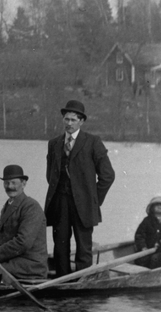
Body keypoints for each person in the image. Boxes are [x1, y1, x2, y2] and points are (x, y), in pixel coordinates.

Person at [44, 99, 116, 276]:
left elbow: (108, 175)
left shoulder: (92, 142)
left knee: (84, 246)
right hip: (60, 203)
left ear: (81, 121)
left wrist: (93, 199)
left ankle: (83, 281)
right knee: (60, 245)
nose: (69, 123)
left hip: (84, 205)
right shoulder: (54, 143)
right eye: (66, 119)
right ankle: (62, 282)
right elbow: (50, 175)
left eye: (73, 120)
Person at [132, 195, 161, 268]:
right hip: (147, 249)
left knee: (155, 259)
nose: (159, 206)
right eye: (157, 205)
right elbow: (139, 235)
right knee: (141, 259)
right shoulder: (147, 220)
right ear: (152, 208)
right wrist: (143, 247)